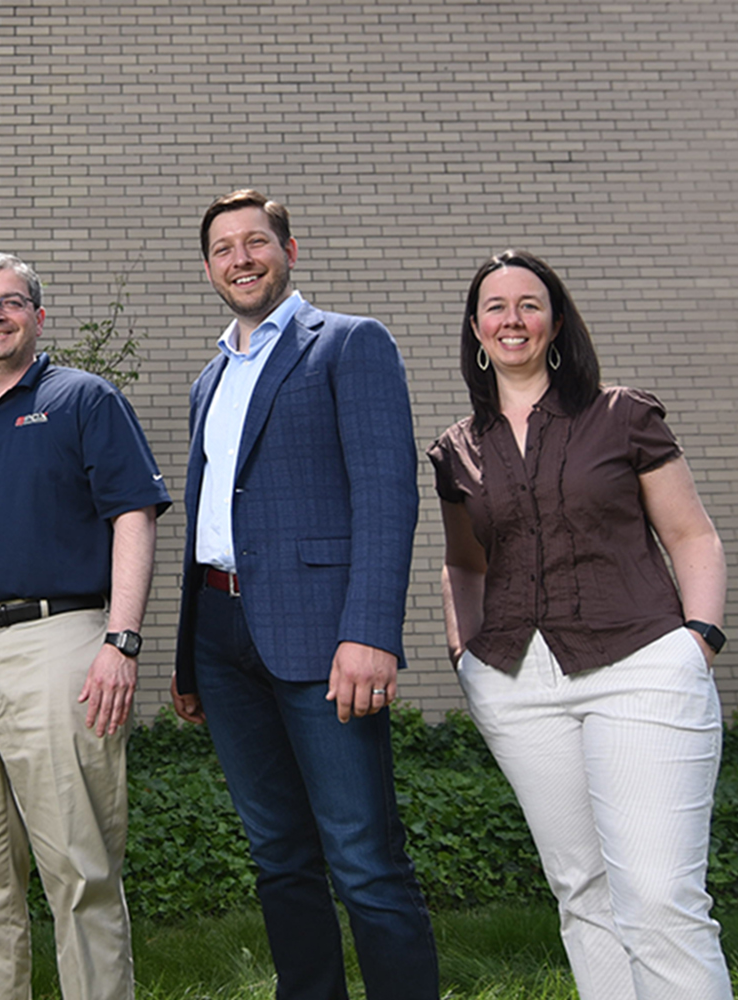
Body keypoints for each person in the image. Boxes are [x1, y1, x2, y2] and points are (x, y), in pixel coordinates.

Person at [428, 249, 731, 1000]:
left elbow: (693, 536)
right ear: (475, 328)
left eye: (529, 304)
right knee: (583, 892)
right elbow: (464, 564)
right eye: (495, 307)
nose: (512, 320)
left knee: (660, 899)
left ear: (555, 321)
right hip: (517, 684)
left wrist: (700, 639)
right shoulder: (457, 450)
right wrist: (466, 654)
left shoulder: (623, 415)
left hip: (642, 666)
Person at [171, 190, 440, 1000]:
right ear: (208, 267)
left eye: (256, 242)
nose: (241, 259)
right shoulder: (209, 377)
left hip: (326, 637)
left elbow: (388, 495)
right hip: (223, 634)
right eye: (224, 248)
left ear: (290, 249)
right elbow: (210, 520)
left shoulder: (350, 345)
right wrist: (190, 654)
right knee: (278, 855)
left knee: (363, 857)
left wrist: (371, 632)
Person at [0, 252, 170, 1000]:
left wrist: (121, 640)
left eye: (12, 302)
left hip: (61, 643)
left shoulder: (84, 399)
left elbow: (133, 516)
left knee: (78, 863)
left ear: (38, 317)